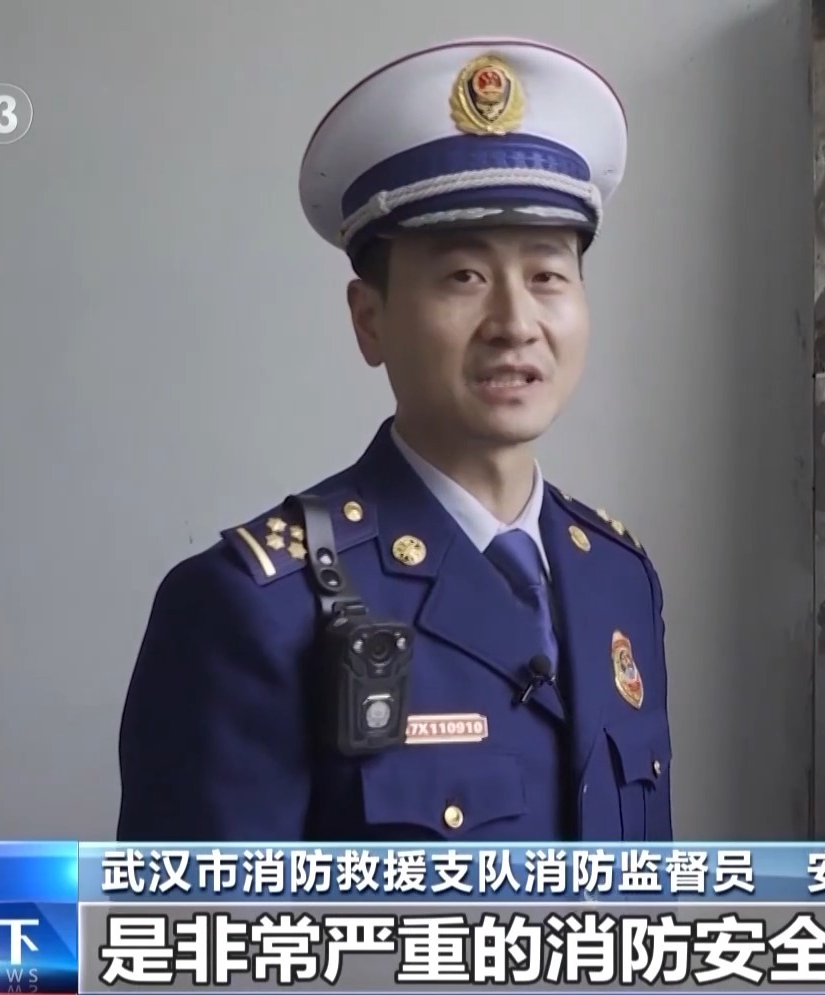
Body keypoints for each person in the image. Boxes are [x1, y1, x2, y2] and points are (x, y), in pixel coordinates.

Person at [116, 38, 672, 844]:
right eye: (463, 277)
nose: (516, 323)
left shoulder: (618, 579)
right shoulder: (258, 607)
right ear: (369, 320)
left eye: (548, 275)